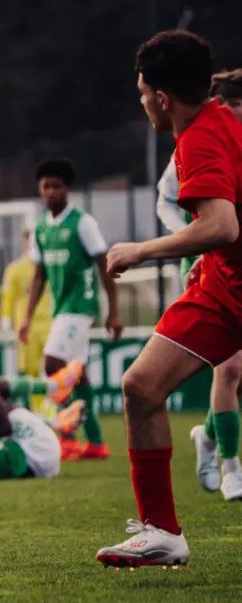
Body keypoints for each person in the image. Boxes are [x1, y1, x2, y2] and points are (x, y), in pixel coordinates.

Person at [98, 31, 242, 568]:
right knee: (140, 386)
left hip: (229, 280)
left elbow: (221, 224)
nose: (141, 103)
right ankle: (161, 531)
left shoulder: (202, 137)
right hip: (223, 285)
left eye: (141, 92)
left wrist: (142, 250)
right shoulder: (217, 119)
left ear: (161, 98)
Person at [19, 158, 123, 461]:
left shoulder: (82, 223)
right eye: (45, 186)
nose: (50, 191)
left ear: (67, 189)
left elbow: (105, 266)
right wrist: (26, 318)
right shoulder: (40, 228)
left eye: (56, 186)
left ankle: (65, 437)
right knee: (79, 377)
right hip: (61, 308)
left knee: (52, 365)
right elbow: (39, 276)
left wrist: (113, 311)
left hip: (81, 305)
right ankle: (95, 442)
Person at [183, 69, 242, 501]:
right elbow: (202, 217)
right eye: (232, 105)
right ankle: (232, 466)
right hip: (218, 273)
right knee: (231, 368)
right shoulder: (197, 144)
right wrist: (198, 257)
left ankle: (207, 436)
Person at [0, 227, 53, 414]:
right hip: (26, 326)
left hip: (49, 323)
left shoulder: (50, 266)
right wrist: (6, 318)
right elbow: (8, 295)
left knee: (53, 365)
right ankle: (37, 408)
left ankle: (55, 405)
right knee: (30, 369)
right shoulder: (16, 270)